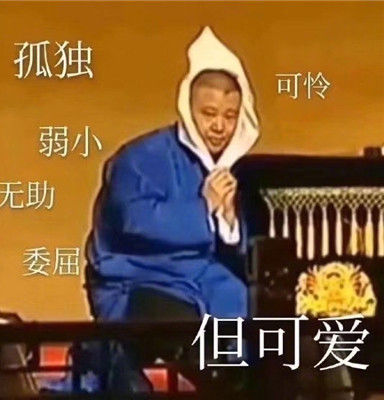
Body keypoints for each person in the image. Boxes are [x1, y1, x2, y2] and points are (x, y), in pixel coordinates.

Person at [84, 26, 260, 393]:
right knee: (188, 336)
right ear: (188, 108)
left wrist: (230, 223)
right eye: (209, 113)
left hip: (209, 282)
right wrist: (203, 207)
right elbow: (134, 221)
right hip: (139, 281)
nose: (219, 126)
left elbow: (244, 246)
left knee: (265, 330)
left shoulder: (237, 171)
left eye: (230, 116)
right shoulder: (139, 157)